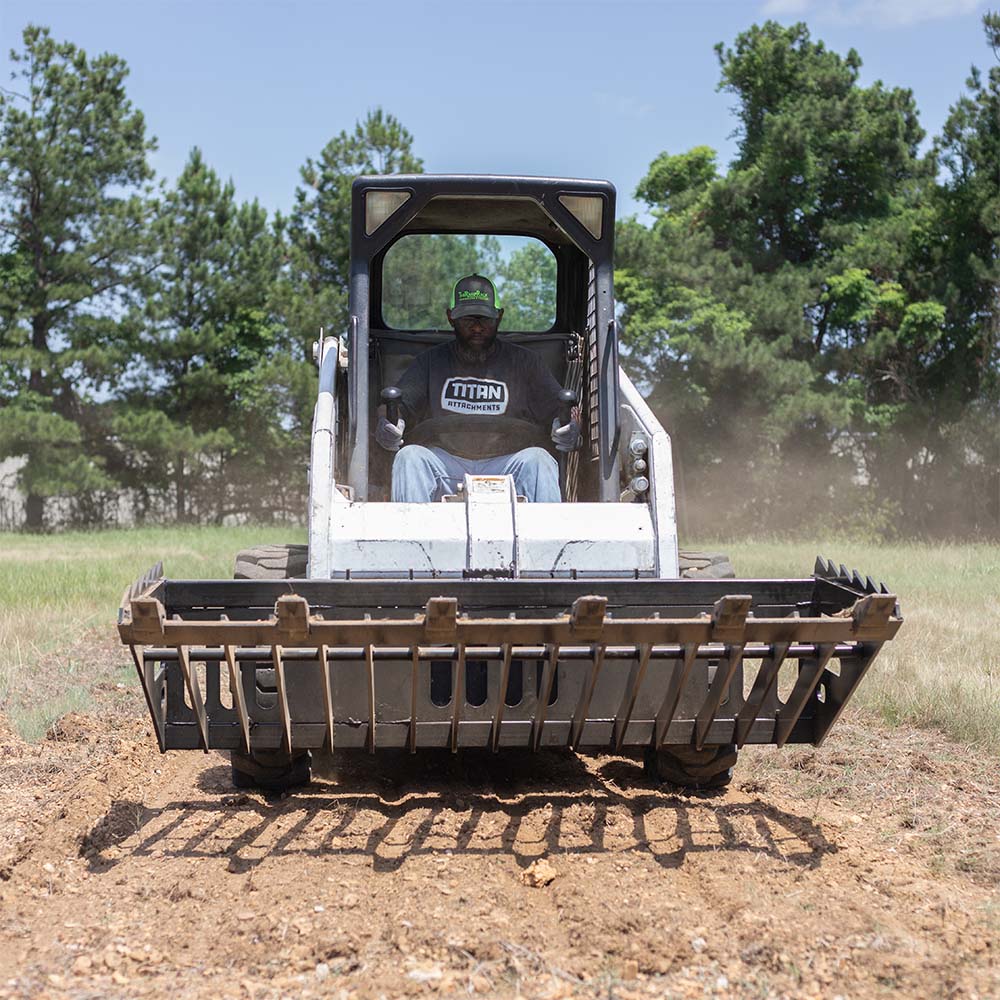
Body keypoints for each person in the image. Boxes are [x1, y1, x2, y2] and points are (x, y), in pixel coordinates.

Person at [376, 273, 580, 502]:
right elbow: (397, 406)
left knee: (540, 461)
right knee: (409, 457)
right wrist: (388, 423)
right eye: (467, 319)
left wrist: (568, 427)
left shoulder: (526, 363)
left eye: (485, 319)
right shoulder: (430, 362)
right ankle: (410, 537)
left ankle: (549, 537)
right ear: (450, 318)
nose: (476, 328)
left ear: (499, 317)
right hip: (445, 466)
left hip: (508, 463)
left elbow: (559, 408)